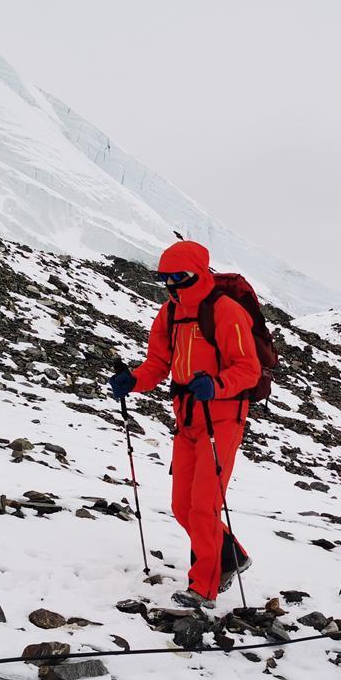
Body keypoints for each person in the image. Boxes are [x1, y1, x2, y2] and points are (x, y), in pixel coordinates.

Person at [108, 241, 260, 608]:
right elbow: (159, 363)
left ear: (200, 272)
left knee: (204, 505)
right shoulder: (169, 313)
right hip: (187, 417)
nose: (173, 285)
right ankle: (232, 556)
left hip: (222, 417)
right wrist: (134, 380)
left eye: (181, 277)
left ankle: (203, 588)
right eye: (166, 279)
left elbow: (248, 369)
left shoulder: (226, 312)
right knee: (182, 505)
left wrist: (218, 385)